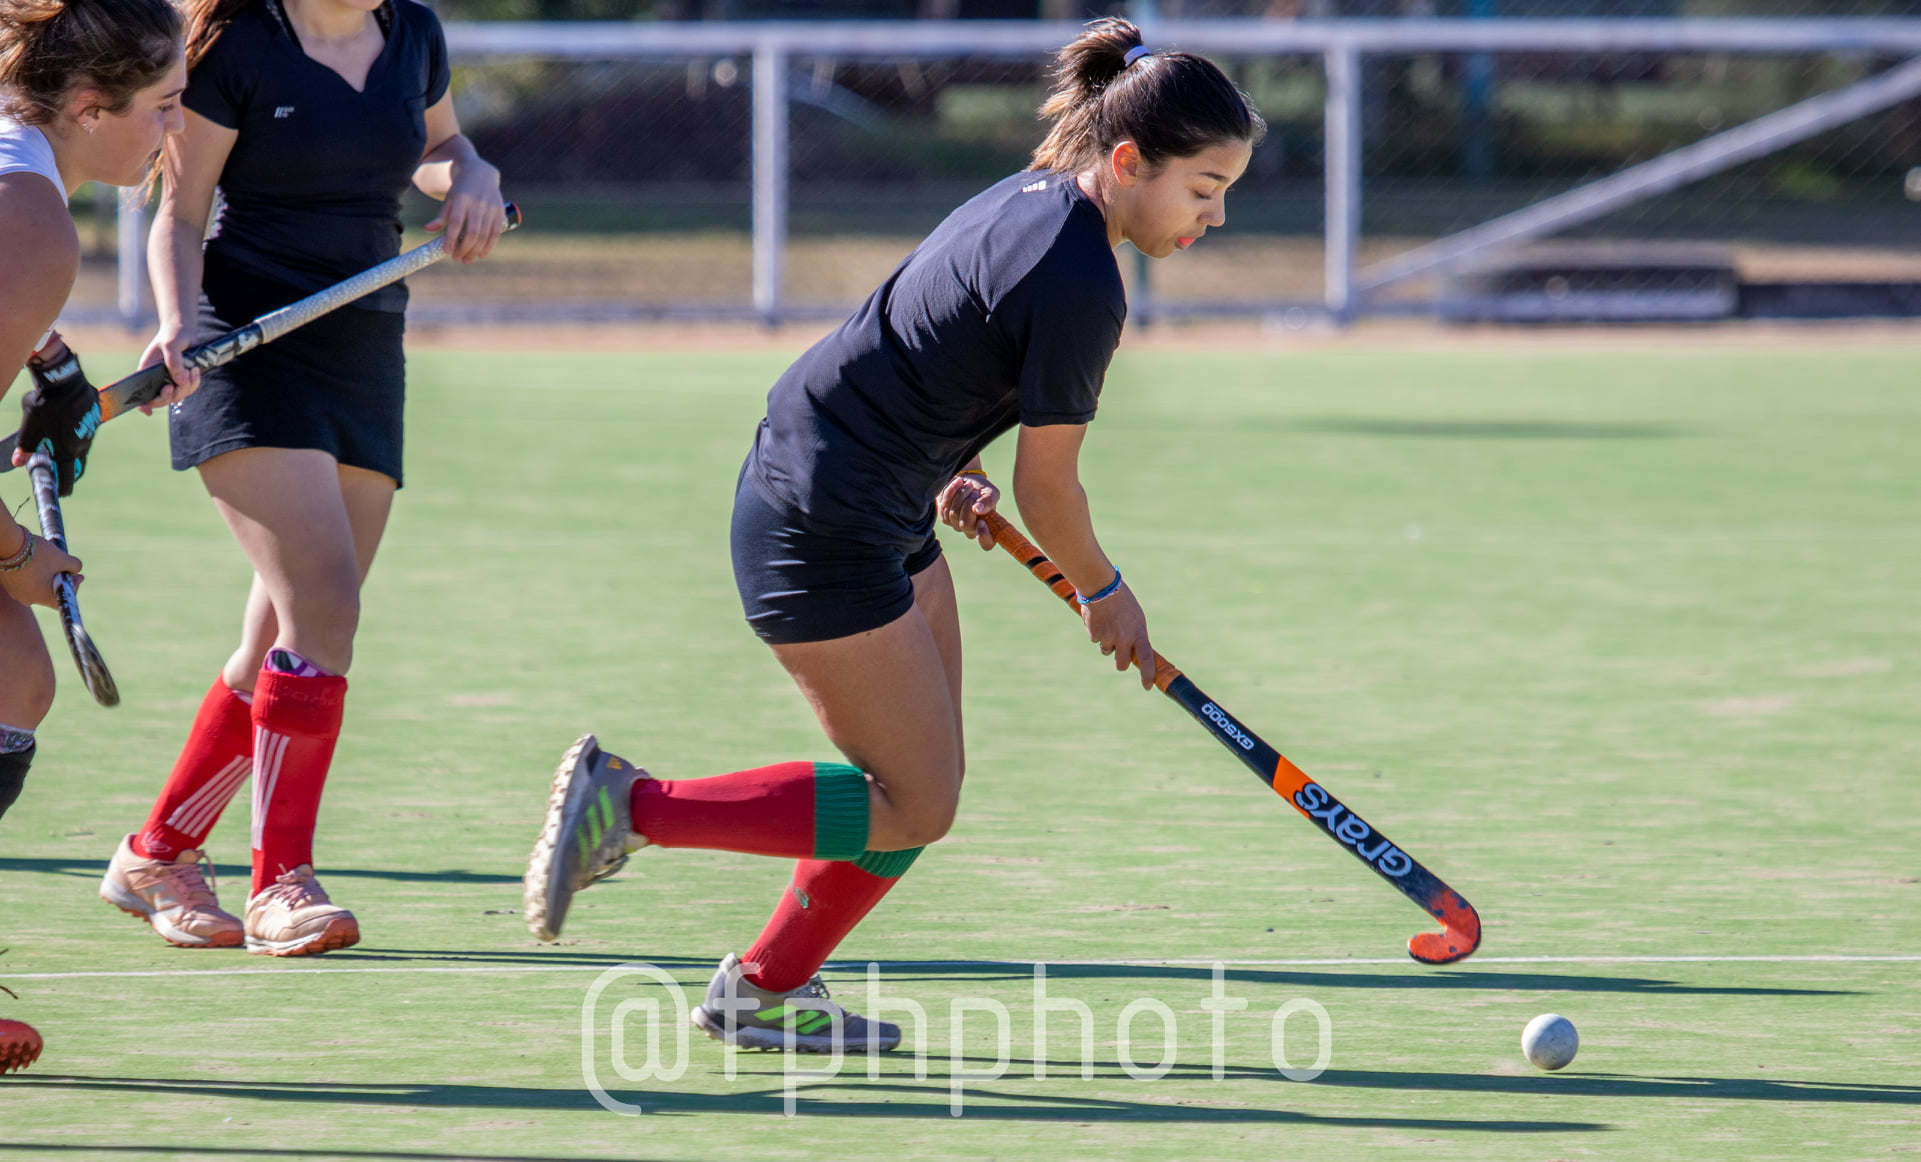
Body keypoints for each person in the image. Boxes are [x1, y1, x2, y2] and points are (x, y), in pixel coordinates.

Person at [524, 18, 1261, 1052]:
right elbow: (1050, 496)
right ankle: (631, 808)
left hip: (863, 489)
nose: (1214, 215)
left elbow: (922, 339)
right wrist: (1106, 592)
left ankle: (767, 989)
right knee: (911, 800)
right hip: (821, 516)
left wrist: (948, 463)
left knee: (924, 783)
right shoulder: (1084, 282)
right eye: (1202, 188)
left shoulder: (1032, 199)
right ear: (1130, 161)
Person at [99, 0, 507, 957]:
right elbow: (182, 211)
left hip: (363, 339)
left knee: (283, 637)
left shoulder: (412, 32)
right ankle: (281, 880)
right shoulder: (239, 46)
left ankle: (157, 853)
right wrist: (177, 322)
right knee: (322, 608)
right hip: (243, 345)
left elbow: (441, 145)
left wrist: (474, 177)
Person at [0, 0, 189, 1071]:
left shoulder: (16, 154)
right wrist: (23, 558)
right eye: (161, 109)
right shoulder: (35, 221)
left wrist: (53, 363)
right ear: (87, 105)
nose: (172, 135)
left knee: (11, 682)